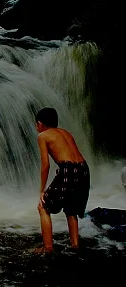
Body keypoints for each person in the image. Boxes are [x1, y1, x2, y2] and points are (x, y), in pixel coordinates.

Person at [35, 107, 90, 253]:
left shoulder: (43, 136)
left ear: (40, 124)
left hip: (68, 169)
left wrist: (41, 190)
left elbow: (45, 165)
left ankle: (48, 247)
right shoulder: (66, 133)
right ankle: (75, 245)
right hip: (83, 168)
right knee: (71, 209)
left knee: (43, 207)